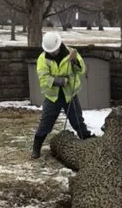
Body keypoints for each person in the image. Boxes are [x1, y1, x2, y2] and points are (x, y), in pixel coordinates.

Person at [31, 30, 93, 159]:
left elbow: (81, 70)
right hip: (52, 97)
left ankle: (89, 142)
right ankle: (36, 148)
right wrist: (58, 81)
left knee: (77, 121)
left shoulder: (71, 53)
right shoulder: (43, 59)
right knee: (45, 124)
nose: (53, 53)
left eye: (54, 50)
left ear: (59, 45)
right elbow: (43, 79)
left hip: (70, 94)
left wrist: (75, 61)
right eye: (50, 51)